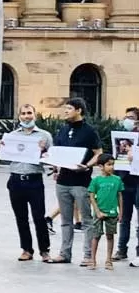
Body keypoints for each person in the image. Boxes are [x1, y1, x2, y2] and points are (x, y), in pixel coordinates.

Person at [50, 96, 103, 265]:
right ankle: (64, 253)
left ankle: (88, 255)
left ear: (79, 110)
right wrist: (54, 166)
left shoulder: (89, 131)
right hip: (63, 181)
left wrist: (87, 166)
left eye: (69, 108)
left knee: (86, 220)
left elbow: (98, 153)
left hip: (81, 181)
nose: (65, 111)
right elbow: (57, 151)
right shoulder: (63, 129)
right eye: (65, 108)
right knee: (66, 220)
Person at [1, 104, 52, 262]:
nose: (26, 116)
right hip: (16, 180)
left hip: (34, 179)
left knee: (39, 217)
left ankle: (44, 250)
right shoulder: (12, 136)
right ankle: (26, 249)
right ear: (19, 116)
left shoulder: (44, 136)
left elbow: (51, 158)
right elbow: (6, 160)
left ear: (35, 115)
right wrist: (2, 148)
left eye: (29, 113)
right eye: (23, 113)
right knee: (21, 217)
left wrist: (43, 151)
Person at [88, 153, 123, 271]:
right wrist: (97, 211)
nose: (111, 167)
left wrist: (121, 212)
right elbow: (92, 197)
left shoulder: (117, 180)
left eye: (113, 164)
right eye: (109, 165)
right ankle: (92, 260)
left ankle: (108, 260)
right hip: (99, 212)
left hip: (112, 213)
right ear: (100, 166)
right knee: (96, 236)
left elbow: (119, 196)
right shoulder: (96, 180)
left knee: (110, 236)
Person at [117, 108, 139, 261]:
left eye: (131, 117)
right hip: (125, 180)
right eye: (126, 117)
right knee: (124, 218)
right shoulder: (122, 137)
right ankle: (121, 249)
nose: (127, 120)